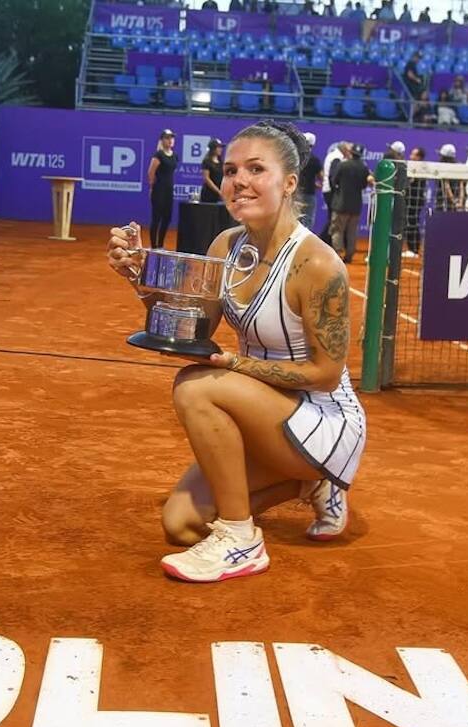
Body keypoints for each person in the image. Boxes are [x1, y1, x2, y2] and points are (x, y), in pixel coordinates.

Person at [105, 120, 367, 583]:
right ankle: (308, 483)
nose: (238, 180)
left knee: (195, 387)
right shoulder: (226, 245)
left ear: (289, 183)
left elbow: (326, 374)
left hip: (325, 422)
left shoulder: (318, 264)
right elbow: (195, 332)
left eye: (255, 169)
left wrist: (237, 365)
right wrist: (140, 279)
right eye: (230, 170)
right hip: (265, 413)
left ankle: (240, 538)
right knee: (180, 524)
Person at [330, 144, 372, 263]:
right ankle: (349, 255)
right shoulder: (364, 168)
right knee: (352, 232)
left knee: (337, 230)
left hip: (341, 204)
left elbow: (334, 181)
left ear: (351, 152)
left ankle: (337, 254)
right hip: (356, 205)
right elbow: (364, 185)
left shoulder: (343, 165)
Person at [147, 129, 178, 249]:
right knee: (156, 218)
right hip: (158, 190)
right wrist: (152, 187)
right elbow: (151, 173)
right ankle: (154, 246)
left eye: (172, 138)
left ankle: (160, 244)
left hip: (169, 190)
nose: (170, 140)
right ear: (162, 140)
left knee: (167, 218)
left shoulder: (175, 156)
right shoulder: (158, 155)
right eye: (167, 138)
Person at [319, 141, 348, 245]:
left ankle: (326, 241)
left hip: (328, 190)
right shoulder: (337, 158)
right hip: (331, 191)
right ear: (343, 149)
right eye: (348, 150)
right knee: (333, 217)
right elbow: (333, 177)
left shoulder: (334, 155)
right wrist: (336, 191)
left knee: (332, 217)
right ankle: (323, 240)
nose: (349, 152)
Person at [402, 147, 426, 258]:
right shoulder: (413, 167)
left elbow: (411, 183)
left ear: (419, 157)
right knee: (411, 223)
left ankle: (413, 249)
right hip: (411, 199)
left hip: (415, 200)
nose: (411, 156)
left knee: (412, 223)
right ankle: (413, 249)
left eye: (414, 154)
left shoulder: (418, 168)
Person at [298, 132, 323, 231]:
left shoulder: (296, 158)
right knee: (308, 219)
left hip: (295, 192)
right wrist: (316, 184)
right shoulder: (315, 160)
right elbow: (321, 176)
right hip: (309, 193)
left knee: (294, 217)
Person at [435, 143, 462, 211]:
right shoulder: (459, 167)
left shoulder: (443, 168)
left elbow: (446, 187)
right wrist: (459, 202)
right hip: (454, 203)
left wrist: (454, 202)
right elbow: (461, 186)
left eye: (441, 156)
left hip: (444, 204)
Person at [199, 138, 224, 203]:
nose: (220, 149)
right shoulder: (207, 162)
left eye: (221, 147)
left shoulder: (221, 162)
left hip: (219, 194)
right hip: (208, 193)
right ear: (213, 148)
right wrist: (218, 191)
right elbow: (207, 179)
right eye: (218, 147)